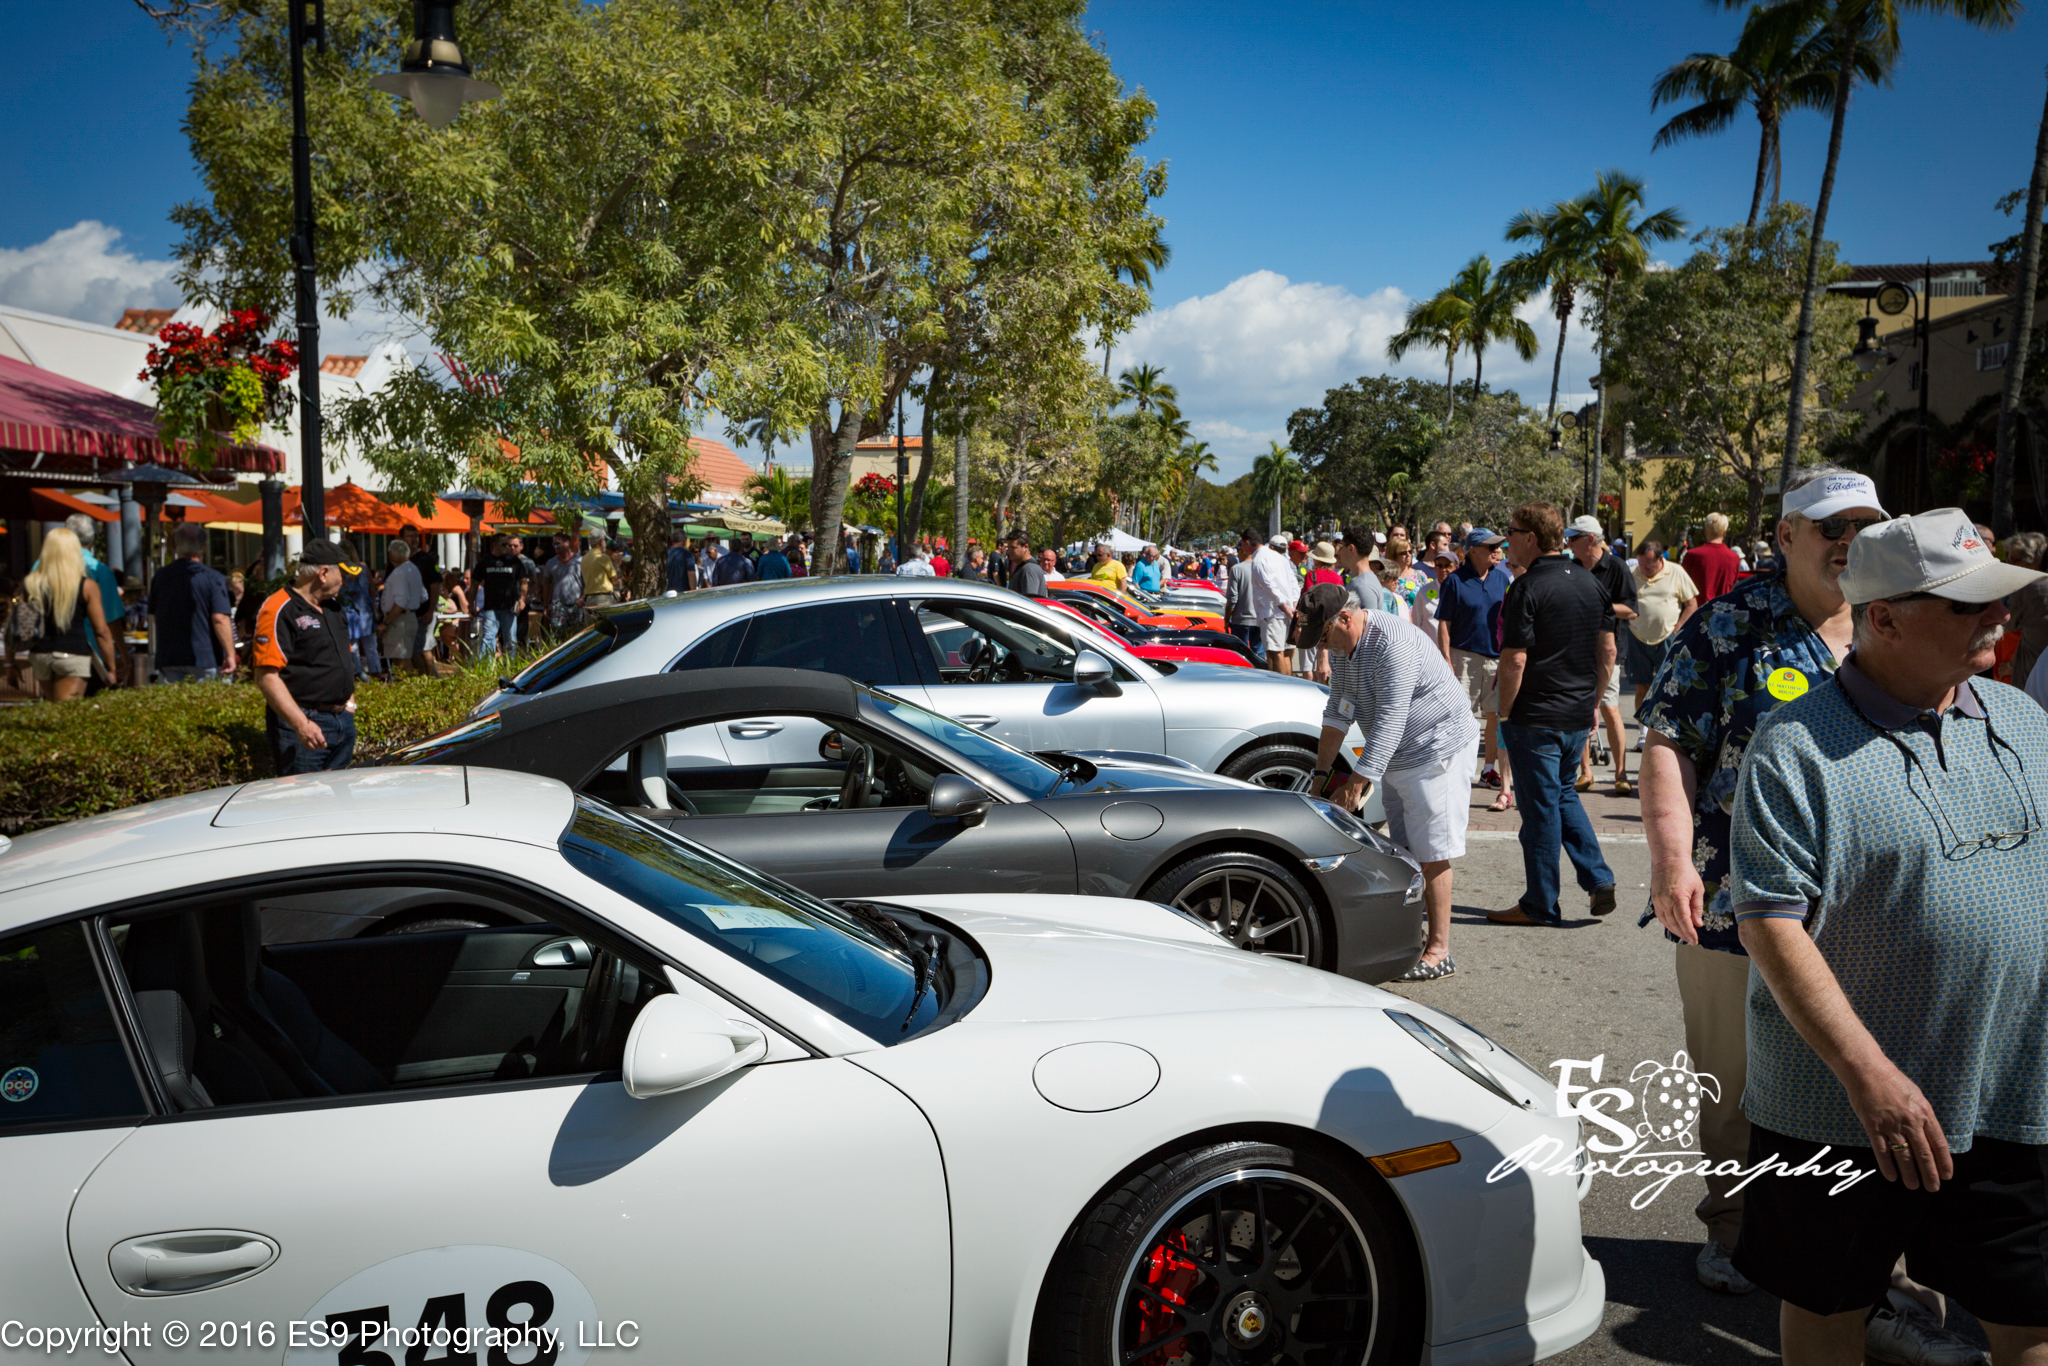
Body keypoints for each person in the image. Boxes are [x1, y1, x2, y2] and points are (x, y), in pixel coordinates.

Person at [1729, 506, 2048, 1366]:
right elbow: (1769, 922)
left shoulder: (2024, 722)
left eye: (2000, 600)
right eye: (1969, 604)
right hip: (1841, 1106)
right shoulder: (1794, 745)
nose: (1999, 617)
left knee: (2029, 1313)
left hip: (2013, 1088)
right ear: (1884, 619)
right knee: (1829, 1303)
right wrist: (1870, 1077)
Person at [1639, 465, 1893, 1303]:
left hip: (1866, 901)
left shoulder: (1896, 620)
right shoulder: (1728, 624)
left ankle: (1868, 1249)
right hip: (1734, 895)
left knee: (1864, 1072)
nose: (1848, 541)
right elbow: (1670, 740)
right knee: (1734, 1074)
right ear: (1786, 537)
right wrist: (1672, 859)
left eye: (1863, 524)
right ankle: (1734, 1225)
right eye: (1831, 527)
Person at [1302, 583, 1477, 982]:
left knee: (1432, 852)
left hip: (1438, 749)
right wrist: (1320, 776)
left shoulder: (1391, 642)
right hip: (1400, 757)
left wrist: (1357, 783)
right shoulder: (1347, 648)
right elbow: (1338, 711)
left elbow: (1391, 719)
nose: (1324, 648)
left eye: (1325, 636)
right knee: (1407, 850)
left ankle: (1439, 952)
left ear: (1344, 617)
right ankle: (1413, 939)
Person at [1486, 502, 1617, 927]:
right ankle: (1598, 878)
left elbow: (1515, 660)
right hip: (1576, 711)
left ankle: (1541, 904)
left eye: (1512, 531)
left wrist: (1505, 712)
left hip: (1536, 715)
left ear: (1530, 537)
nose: (1507, 539)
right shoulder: (1590, 582)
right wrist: (1594, 700)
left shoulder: (1526, 587)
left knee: (1541, 810)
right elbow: (1608, 651)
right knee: (1561, 794)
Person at [252, 540, 360, 774]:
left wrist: (349, 705)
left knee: (338, 805)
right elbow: (266, 676)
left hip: (342, 720)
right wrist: (302, 724)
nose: (344, 580)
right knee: (305, 803)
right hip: (305, 724)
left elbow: (344, 660)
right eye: (341, 572)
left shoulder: (333, 608)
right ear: (323, 573)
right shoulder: (279, 608)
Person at [1437, 528, 1513, 810]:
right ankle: (1456, 776)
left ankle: (1489, 769)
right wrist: (1445, 657)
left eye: (1498, 545)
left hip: (1497, 659)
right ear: (1472, 550)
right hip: (1463, 658)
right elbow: (1444, 622)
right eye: (1489, 546)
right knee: (1459, 719)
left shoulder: (1502, 578)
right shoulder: (1455, 581)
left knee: (1496, 718)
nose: (1496, 550)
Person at [1565, 515, 1639, 796]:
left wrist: (1599, 605)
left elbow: (1631, 610)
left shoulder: (1617, 567)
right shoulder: (1571, 567)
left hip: (1609, 651)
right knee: (1580, 708)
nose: (1568, 544)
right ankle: (1585, 772)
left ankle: (1621, 774)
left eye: (1573, 539)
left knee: (1608, 708)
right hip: (1576, 648)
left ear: (1590, 540)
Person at [22, 527, 115, 701]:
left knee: (53, 710)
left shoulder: (31, 584)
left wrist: (11, 662)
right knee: (65, 715)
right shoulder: (87, 586)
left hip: (40, 654)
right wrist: (111, 668)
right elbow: (101, 631)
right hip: (72, 654)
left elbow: (21, 626)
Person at [147, 522, 236, 684]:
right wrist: (230, 653)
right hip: (206, 658)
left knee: (173, 708)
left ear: (176, 547)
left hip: (169, 657)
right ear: (204, 547)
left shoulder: (160, 577)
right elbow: (220, 619)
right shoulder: (213, 578)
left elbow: (156, 617)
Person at [1625, 540, 1698, 730]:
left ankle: (1667, 728)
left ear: (1660, 559)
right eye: (1640, 563)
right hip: (1637, 636)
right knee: (1642, 687)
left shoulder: (1676, 572)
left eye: (1649, 564)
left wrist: (1678, 628)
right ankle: (1643, 732)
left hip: (1668, 637)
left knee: (1669, 686)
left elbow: (1691, 604)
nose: (1644, 568)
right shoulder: (1631, 575)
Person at [2003, 531, 2048, 688]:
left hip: (2034, 679)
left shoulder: (2033, 588)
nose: (2008, 563)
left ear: (2034, 559)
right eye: (2007, 557)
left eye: (2014, 559)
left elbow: (2005, 623)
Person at [1297, 542, 1345, 682]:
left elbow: (1304, 603)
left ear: (1317, 559)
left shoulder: (1311, 575)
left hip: (1311, 625)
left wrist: (1300, 625)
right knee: (1326, 665)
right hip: (1330, 626)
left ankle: (1308, 692)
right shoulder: (1338, 579)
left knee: (1307, 666)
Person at [474, 533, 529, 655]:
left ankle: (510, 667)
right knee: (488, 637)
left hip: (509, 606)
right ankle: (486, 668)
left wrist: (522, 599)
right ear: (494, 544)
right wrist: (471, 603)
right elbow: (474, 583)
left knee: (510, 639)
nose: (508, 547)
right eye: (504, 544)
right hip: (490, 606)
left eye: (508, 544)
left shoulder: (514, 561)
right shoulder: (485, 561)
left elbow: (524, 581)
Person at [379, 539, 427, 672]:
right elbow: (424, 596)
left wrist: (386, 623)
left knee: (401, 660)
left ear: (392, 555)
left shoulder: (399, 572)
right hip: (410, 617)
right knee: (410, 656)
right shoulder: (413, 569)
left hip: (399, 620)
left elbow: (400, 603)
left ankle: (411, 689)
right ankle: (421, 686)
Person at [1682, 511, 1742, 604]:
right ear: (1724, 533)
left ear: (1705, 532)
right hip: (1723, 610)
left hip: (1697, 611)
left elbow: (1682, 584)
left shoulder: (1692, 555)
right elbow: (1733, 585)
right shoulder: (1734, 557)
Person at [538, 534, 585, 634]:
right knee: (557, 635)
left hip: (576, 605)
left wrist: (582, 598)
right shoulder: (551, 563)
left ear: (567, 543)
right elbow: (547, 584)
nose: (555, 546)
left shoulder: (580, 561)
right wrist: (546, 606)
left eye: (558, 543)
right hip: (558, 606)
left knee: (576, 635)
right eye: (553, 544)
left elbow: (587, 582)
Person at [583, 535, 624, 604]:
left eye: (617, 550)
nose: (616, 552)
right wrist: (617, 565)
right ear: (605, 549)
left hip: (590, 598)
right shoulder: (604, 559)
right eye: (613, 550)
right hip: (603, 598)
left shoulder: (587, 557)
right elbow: (616, 581)